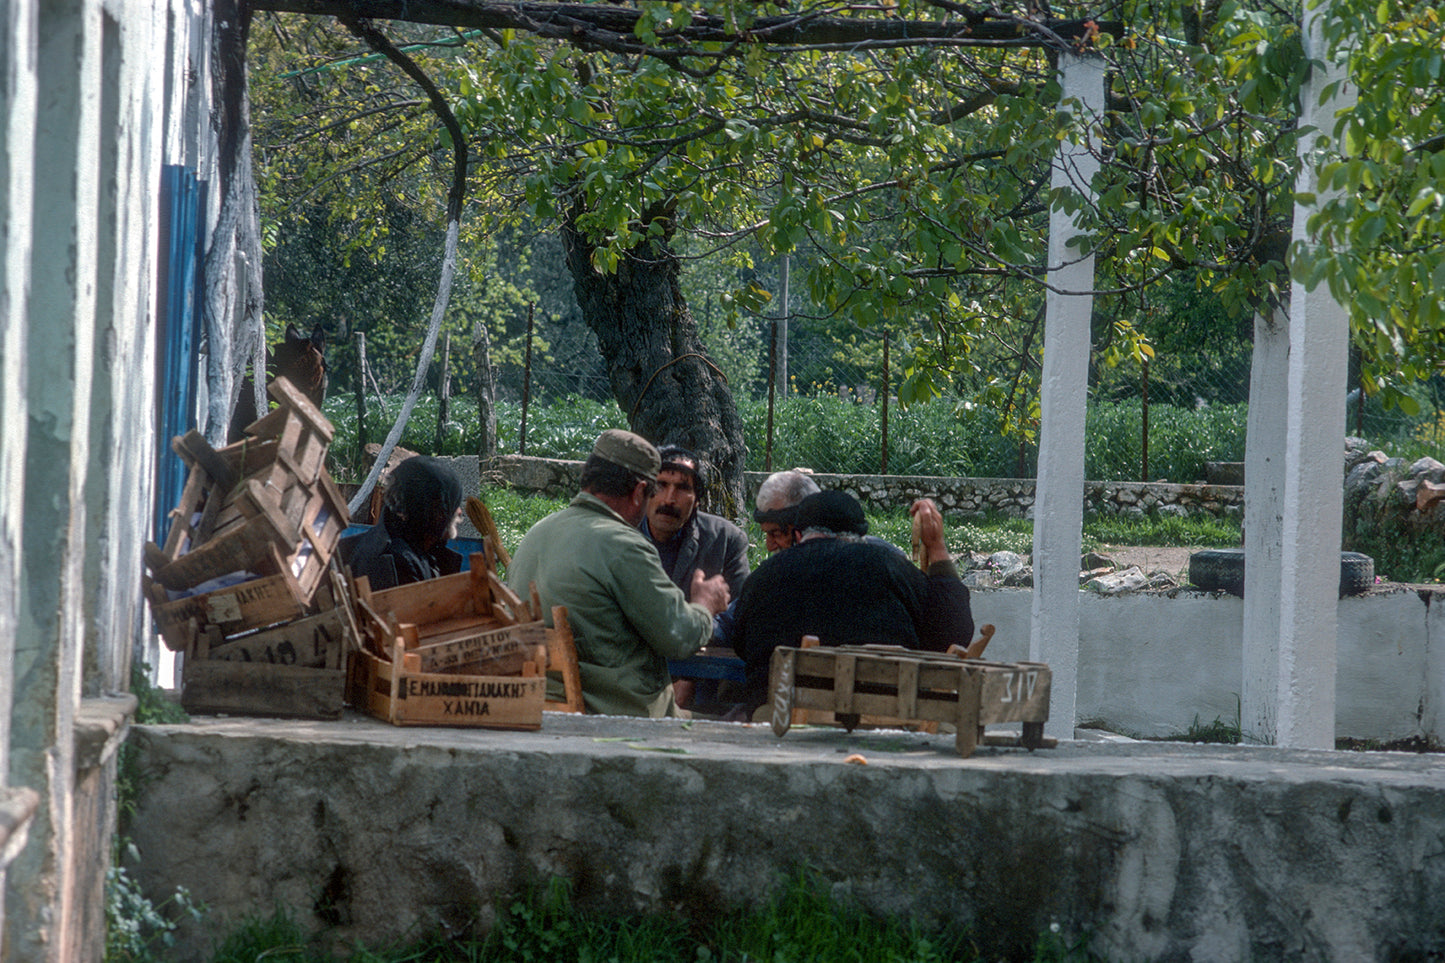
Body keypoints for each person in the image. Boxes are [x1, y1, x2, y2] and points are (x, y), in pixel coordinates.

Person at [507, 429, 731, 717]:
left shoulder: (538, 532)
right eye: (654, 491)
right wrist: (704, 605)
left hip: (540, 705)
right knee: (733, 721)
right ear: (639, 492)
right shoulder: (623, 545)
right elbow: (678, 638)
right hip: (614, 715)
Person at [728, 490, 974, 714]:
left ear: (798, 534)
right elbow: (954, 634)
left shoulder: (762, 578)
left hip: (780, 719)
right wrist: (936, 547)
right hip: (884, 719)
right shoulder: (889, 565)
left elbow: (741, 643)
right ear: (861, 536)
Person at [641, 444, 750, 599]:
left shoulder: (725, 540)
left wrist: (702, 615)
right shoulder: (621, 534)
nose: (669, 499)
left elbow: (738, 608)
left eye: (682, 488)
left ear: (697, 500)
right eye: (661, 485)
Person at [340, 456, 464, 591]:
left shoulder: (369, 544)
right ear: (435, 511)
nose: (459, 511)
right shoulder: (399, 564)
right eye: (453, 504)